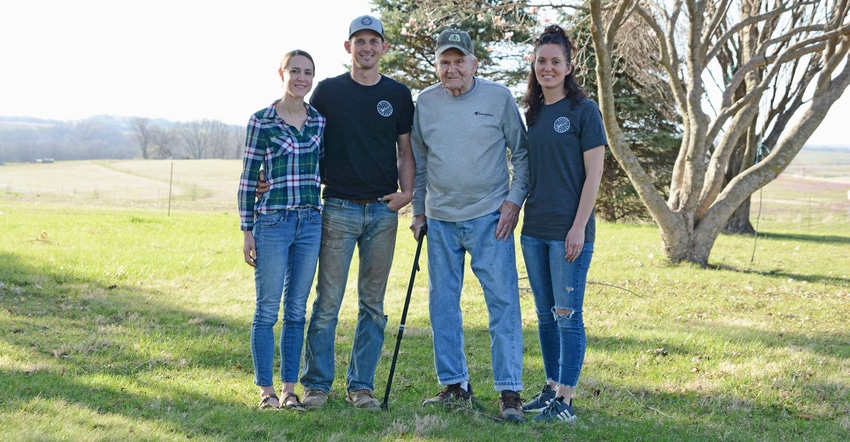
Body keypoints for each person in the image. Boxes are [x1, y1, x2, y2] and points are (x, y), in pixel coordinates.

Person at [409, 29, 529, 423]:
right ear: (437, 65)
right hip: (441, 220)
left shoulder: (498, 98)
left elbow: (522, 153)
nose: (452, 68)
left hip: (490, 218)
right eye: (445, 61)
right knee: (442, 304)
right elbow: (421, 163)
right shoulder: (424, 103)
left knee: (503, 304)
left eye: (460, 61)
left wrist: (513, 201)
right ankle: (454, 385)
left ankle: (509, 392)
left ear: (475, 64)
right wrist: (419, 211)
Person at [297, 15, 415, 411]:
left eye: (373, 41)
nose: (366, 47)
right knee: (327, 301)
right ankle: (316, 385)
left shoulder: (398, 94)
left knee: (373, 305)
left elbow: (405, 150)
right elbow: (306, 141)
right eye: (359, 41)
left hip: (382, 213)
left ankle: (361, 387)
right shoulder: (329, 91)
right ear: (348, 47)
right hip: (338, 209)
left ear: (383, 47)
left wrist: (408, 193)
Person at [518, 24, 607, 423]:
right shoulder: (532, 114)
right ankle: (552, 388)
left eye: (555, 61)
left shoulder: (584, 112)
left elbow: (594, 176)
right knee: (544, 315)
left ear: (569, 67)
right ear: (533, 65)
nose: (547, 68)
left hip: (569, 233)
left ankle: (566, 402)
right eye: (541, 61)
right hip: (534, 230)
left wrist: (578, 227)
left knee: (568, 316)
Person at [238, 50, 325, 411]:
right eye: (295, 71)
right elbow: (247, 178)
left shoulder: (319, 121)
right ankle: (266, 391)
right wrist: (247, 230)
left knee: (296, 311)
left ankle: (290, 389)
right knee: (267, 310)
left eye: (307, 72)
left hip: (310, 222)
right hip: (272, 222)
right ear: (282, 74)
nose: (301, 78)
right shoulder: (262, 121)